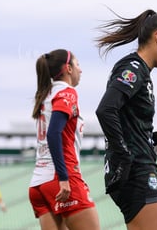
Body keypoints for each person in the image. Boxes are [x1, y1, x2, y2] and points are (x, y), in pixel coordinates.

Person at [95, 9, 157, 230]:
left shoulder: (142, 73)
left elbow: (132, 129)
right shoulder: (133, 68)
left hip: (144, 169)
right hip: (135, 173)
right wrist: (123, 155)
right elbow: (106, 109)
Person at [29, 49, 100, 230]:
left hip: (38, 183)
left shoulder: (45, 94)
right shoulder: (66, 92)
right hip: (60, 178)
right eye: (78, 65)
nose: (80, 70)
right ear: (68, 68)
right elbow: (54, 133)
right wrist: (63, 178)